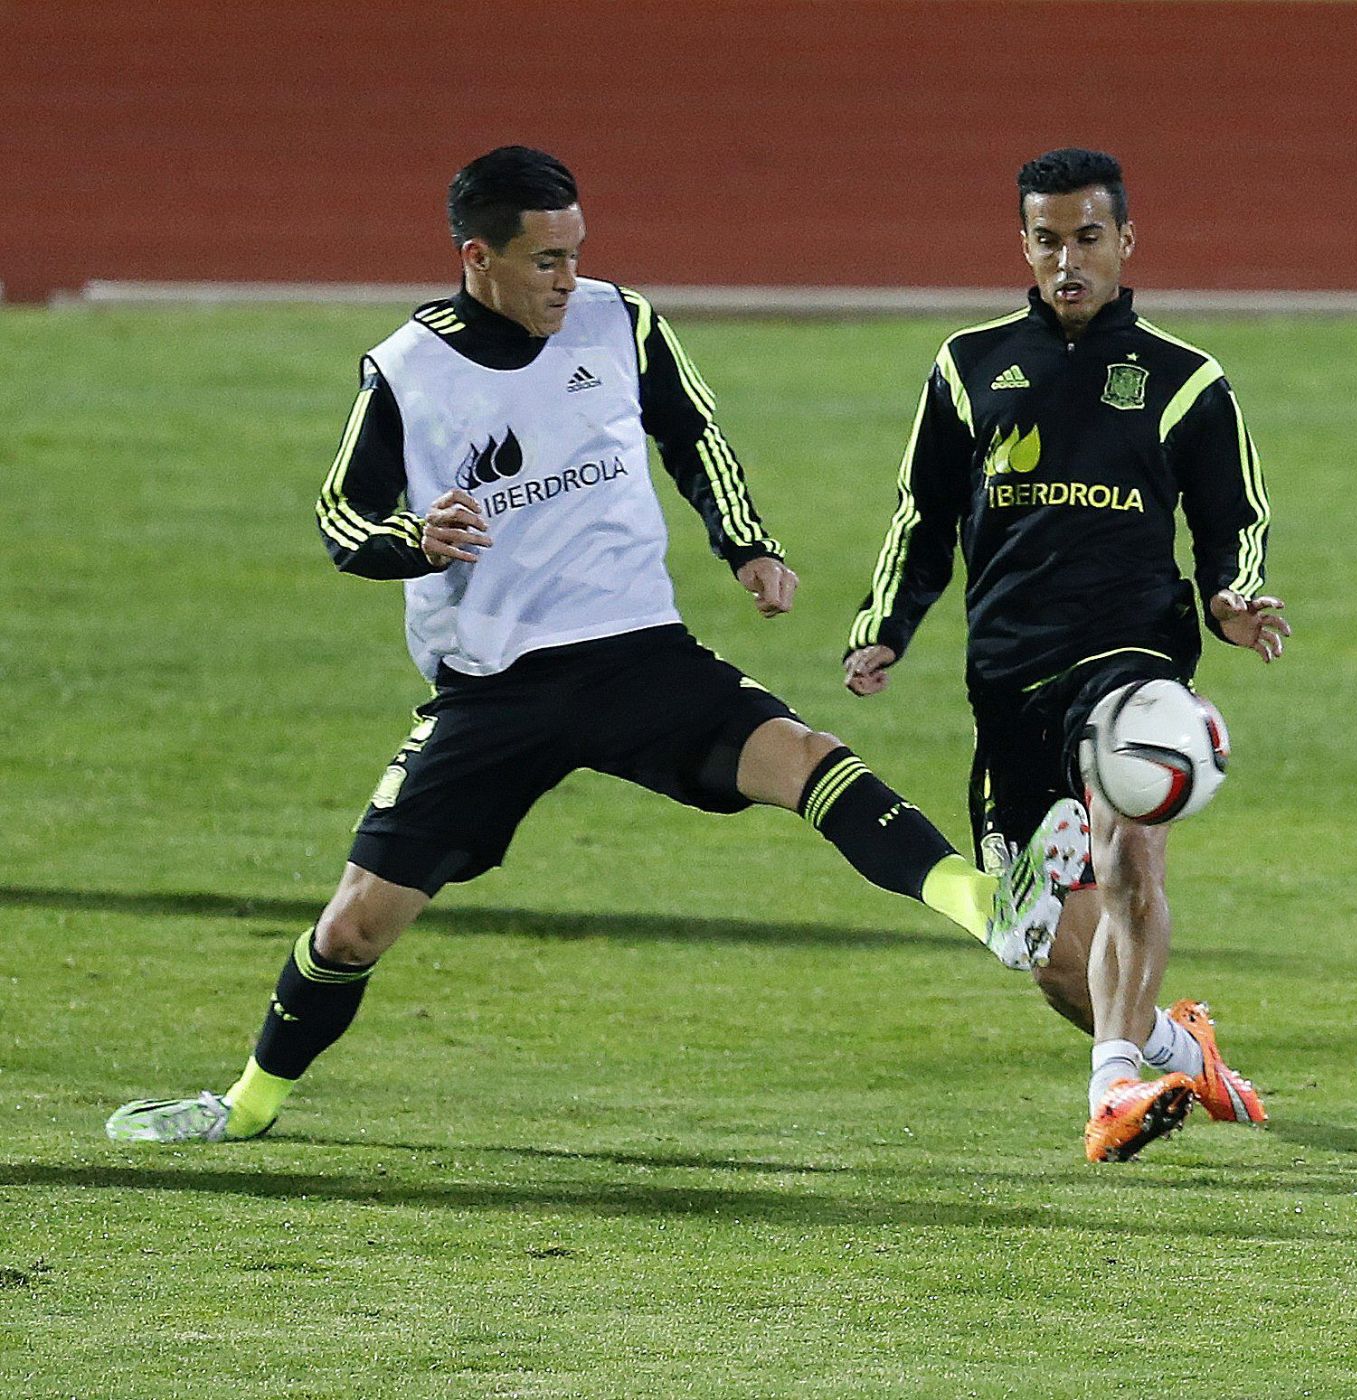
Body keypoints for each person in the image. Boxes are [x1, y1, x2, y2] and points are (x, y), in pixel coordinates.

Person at [106, 146, 1087, 1146]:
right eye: (544, 262)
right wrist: (414, 538)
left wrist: (743, 541)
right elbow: (339, 517)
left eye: (575, 254)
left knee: (805, 758)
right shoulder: (406, 371)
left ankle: (987, 906)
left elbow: (690, 430)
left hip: (634, 652)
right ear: (476, 256)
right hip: (494, 689)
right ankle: (245, 1102)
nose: (568, 280)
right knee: (354, 922)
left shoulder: (618, 320)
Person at [843, 148, 1290, 1162]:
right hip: (1005, 673)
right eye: (1046, 240)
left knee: (1128, 844)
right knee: (1042, 950)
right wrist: (883, 624)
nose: (1067, 260)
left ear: (1125, 241)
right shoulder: (967, 367)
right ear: (1023, 246)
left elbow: (1232, 519)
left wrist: (1228, 600)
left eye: (1087, 238)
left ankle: (1109, 1093)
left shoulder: (1183, 381)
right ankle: (1175, 1049)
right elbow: (923, 515)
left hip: (1130, 655)